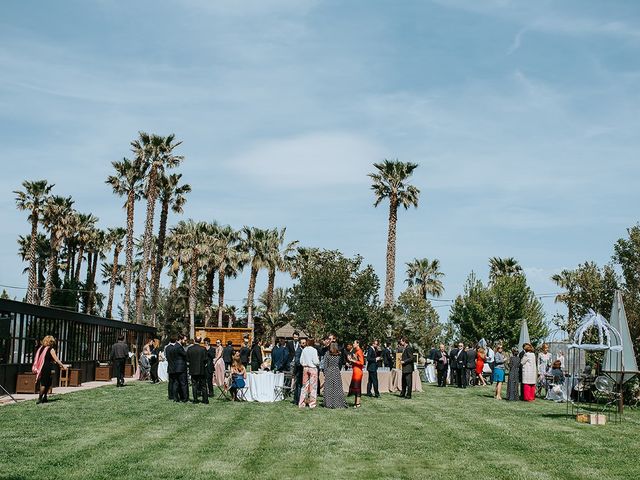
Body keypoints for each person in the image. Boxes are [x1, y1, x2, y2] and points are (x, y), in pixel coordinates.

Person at [33, 335, 66, 404]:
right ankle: (40, 398)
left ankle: (44, 397)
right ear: (51, 342)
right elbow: (56, 359)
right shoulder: (51, 349)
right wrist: (62, 365)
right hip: (47, 367)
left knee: (45, 383)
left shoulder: (40, 348)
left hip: (41, 367)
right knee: (45, 383)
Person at [323, 342, 347, 409]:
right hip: (336, 371)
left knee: (329, 388)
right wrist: (337, 370)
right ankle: (338, 403)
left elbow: (325, 364)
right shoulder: (339, 354)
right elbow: (340, 364)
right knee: (337, 388)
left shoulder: (327, 354)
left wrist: (325, 373)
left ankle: (329, 404)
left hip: (329, 371)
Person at [299, 339, 320, 408]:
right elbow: (316, 361)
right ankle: (312, 404)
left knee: (304, 386)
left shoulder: (304, 349)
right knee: (313, 387)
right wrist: (318, 362)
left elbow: (301, 360)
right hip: (312, 368)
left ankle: (302, 403)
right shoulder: (314, 350)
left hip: (305, 368)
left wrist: (304, 364)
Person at [186, 336, 208, 404]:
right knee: (203, 385)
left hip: (193, 369)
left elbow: (187, 360)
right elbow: (206, 360)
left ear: (194, 340)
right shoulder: (203, 349)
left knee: (194, 385)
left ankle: (195, 399)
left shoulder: (190, 349)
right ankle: (205, 400)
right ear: (200, 341)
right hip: (201, 370)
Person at [169, 334, 189, 402]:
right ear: (181, 339)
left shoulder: (174, 346)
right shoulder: (179, 347)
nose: (185, 342)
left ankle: (175, 398)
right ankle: (185, 398)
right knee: (183, 383)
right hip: (181, 368)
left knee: (176, 383)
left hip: (175, 368)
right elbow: (185, 355)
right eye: (185, 340)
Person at [348, 340, 365, 408]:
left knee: (357, 387)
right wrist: (351, 360)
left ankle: (358, 403)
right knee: (355, 387)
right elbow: (357, 361)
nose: (353, 344)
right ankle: (356, 402)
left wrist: (352, 360)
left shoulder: (359, 351)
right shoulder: (356, 351)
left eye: (354, 343)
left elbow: (362, 362)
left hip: (358, 372)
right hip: (355, 371)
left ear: (358, 344)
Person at [292, 338, 306, 404]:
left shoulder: (304, 350)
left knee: (299, 385)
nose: (304, 344)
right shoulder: (298, 350)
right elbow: (297, 361)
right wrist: (303, 365)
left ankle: (297, 400)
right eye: (303, 343)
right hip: (299, 370)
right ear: (300, 343)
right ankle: (298, 400)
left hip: (302, 370)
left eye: (305, 343)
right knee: (299, 386)